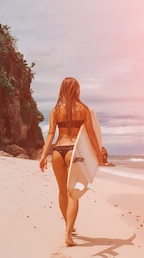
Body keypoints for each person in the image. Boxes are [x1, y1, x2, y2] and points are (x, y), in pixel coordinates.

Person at [39, 77, 102, 246]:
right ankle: (68, 234)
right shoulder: (83, 109)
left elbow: (51, 134)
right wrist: (98, 153)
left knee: (62, 192)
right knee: (73, 193)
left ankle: (68, 225)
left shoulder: (55, 110)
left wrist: (44, 155)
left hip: (58, 151)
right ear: (77, 90)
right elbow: (90, 134)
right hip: (74, 152)